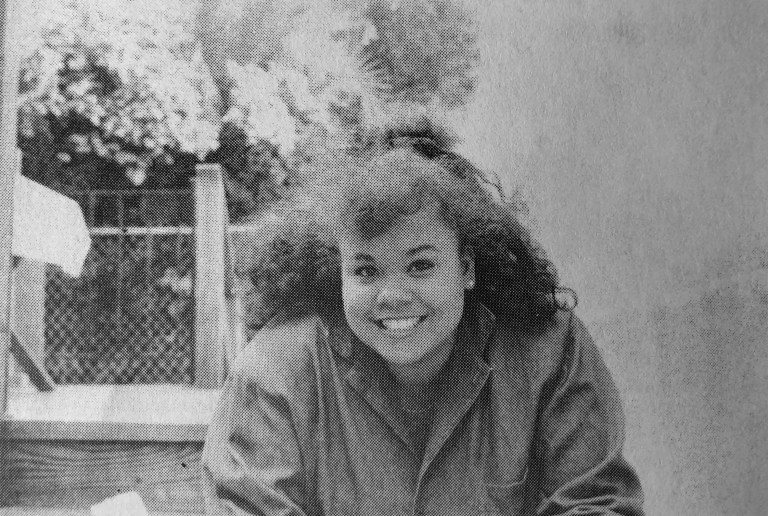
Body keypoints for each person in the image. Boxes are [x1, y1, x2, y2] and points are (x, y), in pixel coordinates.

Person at [201, 133, 644, 515]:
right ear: (339, 272)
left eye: (420, 265)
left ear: (465, 268)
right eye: (366, 270)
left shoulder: (548, 349)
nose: (392, 296)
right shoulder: (273, 371)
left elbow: (597, 503)